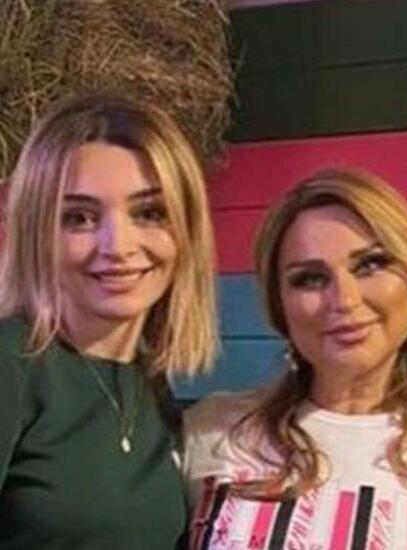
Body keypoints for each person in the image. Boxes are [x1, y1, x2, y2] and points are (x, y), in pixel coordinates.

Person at [183, 168, 407, 549]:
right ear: (280, 306)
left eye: (370, 265)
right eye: (310, 278)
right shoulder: (211, 431)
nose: (345, 300)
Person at [0, 95, 218, 549]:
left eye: (149, 213)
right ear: (37, 233)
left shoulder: (149, 384)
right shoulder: (12, 364)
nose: (118, 246)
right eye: (79, 218)